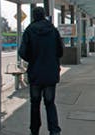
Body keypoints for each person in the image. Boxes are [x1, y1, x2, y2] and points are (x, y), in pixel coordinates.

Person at [19, 7, 63, 135]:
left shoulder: (29, 30)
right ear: (44, 15)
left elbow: (22, 52)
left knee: (35, 103)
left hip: (35, 73)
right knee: (50, 102)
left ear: (33, 16)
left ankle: (34, 130)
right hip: (50, 73)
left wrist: (32, 59)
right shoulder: (53, 30)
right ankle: (54, 131)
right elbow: (60, 51)